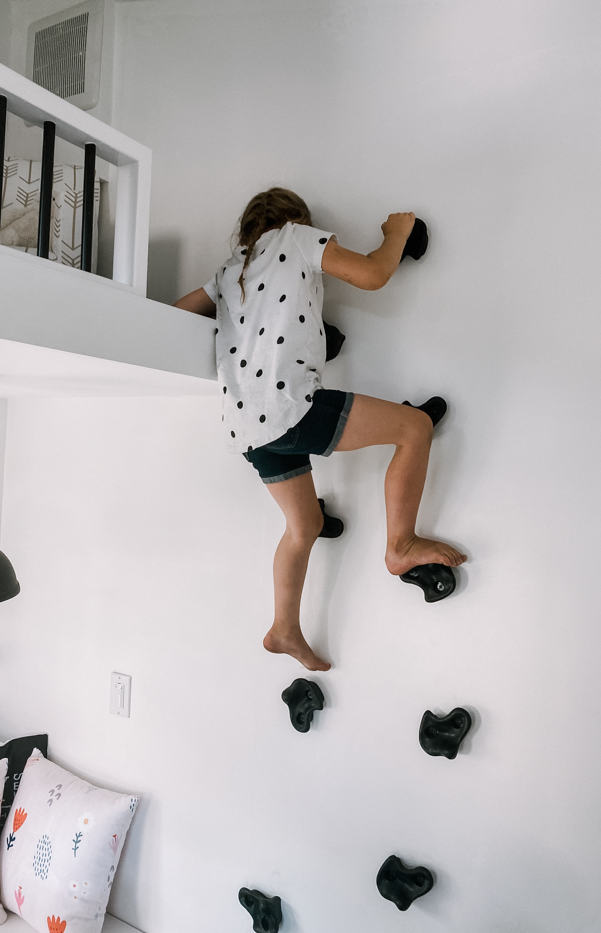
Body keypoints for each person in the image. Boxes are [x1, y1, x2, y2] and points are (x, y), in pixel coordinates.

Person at [175, 187, 466, 672]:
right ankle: (401, 546)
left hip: (248, 428)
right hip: (292, 409)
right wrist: (396, 234)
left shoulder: (230, 272)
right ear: (297, 219)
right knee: (414, 427)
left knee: (304, 525)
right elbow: (374, 274)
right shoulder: (295, 238)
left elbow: (176, 314)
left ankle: (283, 628)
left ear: (246, 230)